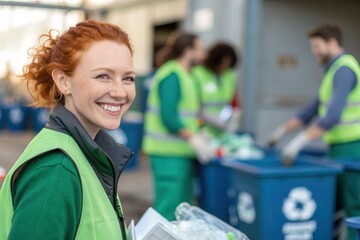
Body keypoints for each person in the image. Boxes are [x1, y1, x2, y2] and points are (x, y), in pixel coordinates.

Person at [0, 20, 136, 240]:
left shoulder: (86, 151)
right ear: (63, 81)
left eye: (128, 78)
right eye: (103, 76)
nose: (120, 92)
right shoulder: (56, 171)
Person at [267, 23, 360, 240]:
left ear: (332, 43)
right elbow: (310, 110)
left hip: (353, 149)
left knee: (354, 208)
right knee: (342, 206)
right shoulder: (332, 72)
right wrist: (281, 132)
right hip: (339, 149)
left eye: (317, 46)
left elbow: (332, 116)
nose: (314, 51)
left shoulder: (344, 70)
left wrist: (298, 142)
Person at [142, 30, 212, 220]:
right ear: (188, 51)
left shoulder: (187, 75)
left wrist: (200, 134)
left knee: (182, 210)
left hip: (180, 154)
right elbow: (169, 117)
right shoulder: (171, 75)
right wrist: (194, 139)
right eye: (200, 49)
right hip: (167, 155)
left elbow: (189, 114)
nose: (204, 54)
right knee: (168, 209)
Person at [192, 41, 241, 137]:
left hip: (223, 131)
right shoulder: (198, 74)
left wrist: (232, 120)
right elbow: (194, 106)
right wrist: (200, 127)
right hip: (203, 130)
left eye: (228, 64)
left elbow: (233, 103)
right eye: (222, 63)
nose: (224, 67)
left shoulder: (229, 75)